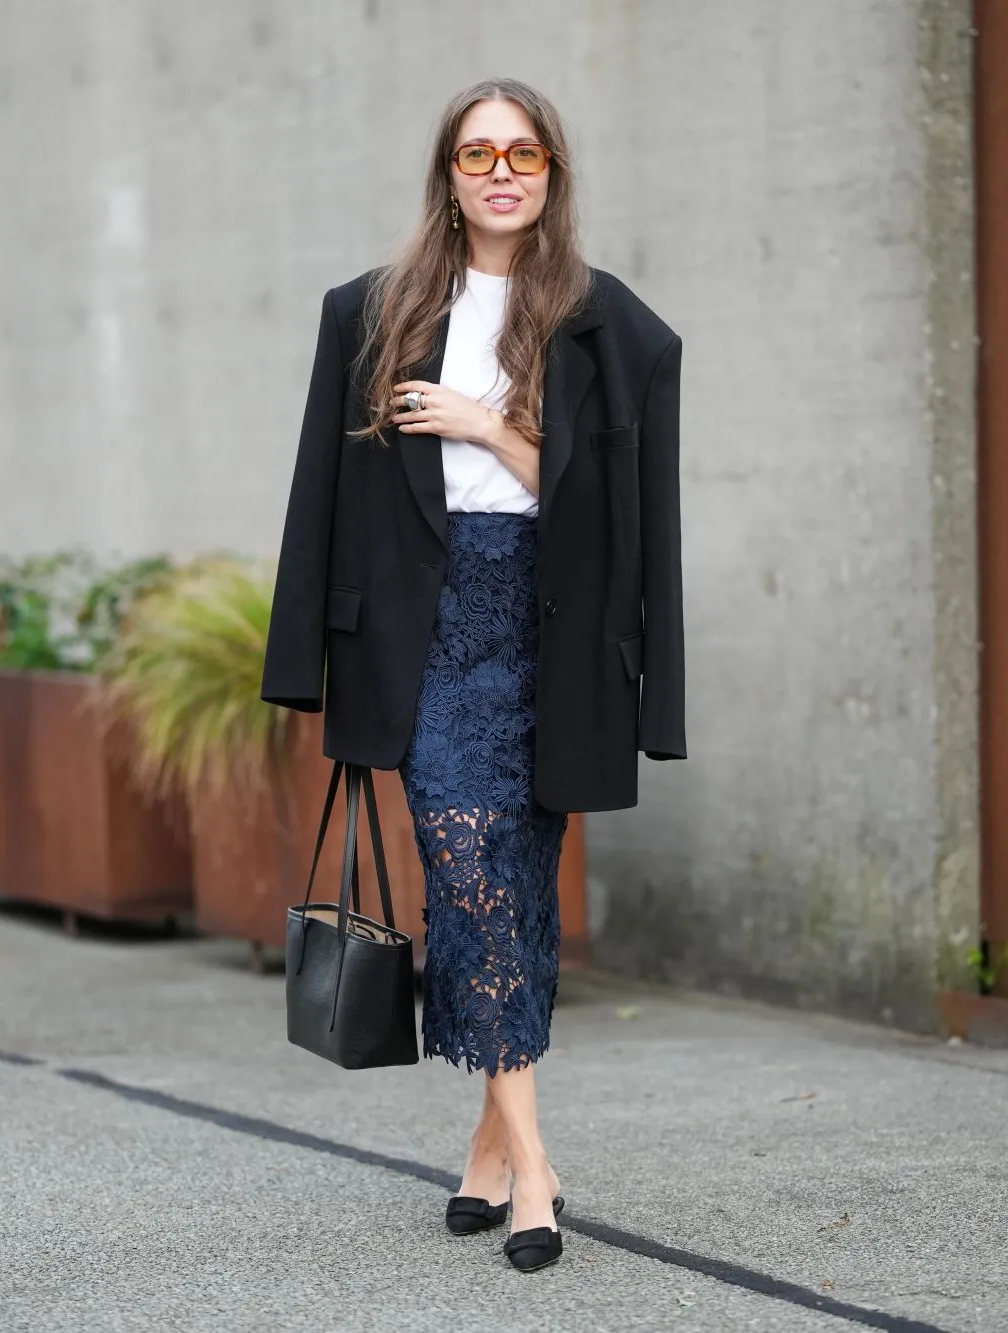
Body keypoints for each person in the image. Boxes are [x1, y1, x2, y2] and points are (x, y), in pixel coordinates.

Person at [262, 77, 685, 1274]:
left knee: (518, 880)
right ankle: (539, 1168)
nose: (500, 170)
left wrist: (487, 425)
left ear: (552, 173)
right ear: (445, 175)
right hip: (430, 634)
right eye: (476, 152)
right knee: (467, 871)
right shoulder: (370, 311)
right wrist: (305, 662)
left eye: (525, 151)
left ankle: (487, 1146)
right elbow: (318, 495)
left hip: (550, 634)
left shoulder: (609, 325)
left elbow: (629, 511)